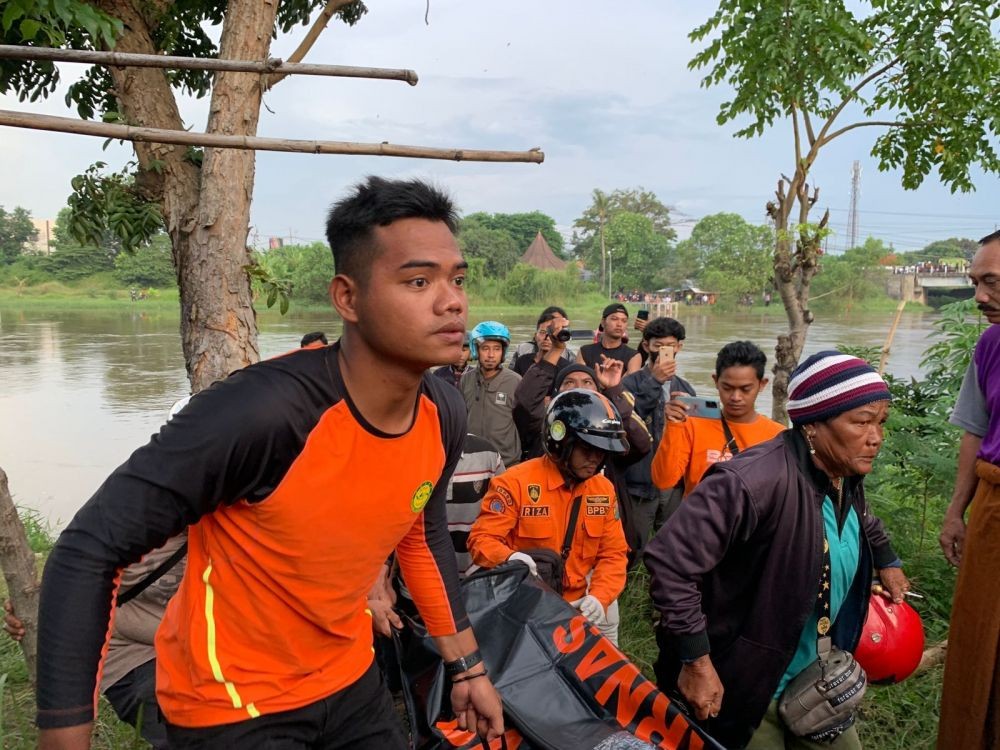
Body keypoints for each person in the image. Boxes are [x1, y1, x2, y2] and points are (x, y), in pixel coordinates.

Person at [35, 177, 503, 750]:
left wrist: (468, 667)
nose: (452, 300)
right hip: (231, 701)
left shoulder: (443, 412)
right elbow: (88, 550)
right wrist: (64, 737)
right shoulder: (263, 412)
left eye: (457, 280)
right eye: (418, 280)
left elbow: (421, 537)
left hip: (349, 678)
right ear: (347, 298)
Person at [645, 351, 910, 749]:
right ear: (813, 426)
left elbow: (863, 517)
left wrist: (887, 560)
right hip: (747, 680)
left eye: (880, 422)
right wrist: (696, 662)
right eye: (861, 422)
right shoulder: (749, 482)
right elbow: (670, 564)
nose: (876, 437)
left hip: (816, 670)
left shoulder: (843, 474)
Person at [467, 389, 630, 644]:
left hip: (582, 606)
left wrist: (600, 596)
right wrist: (509, 557)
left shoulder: (603, 490)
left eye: (601, 452)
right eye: (587, 449)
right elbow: (481, 540)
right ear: (561, 443)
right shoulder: (514, 483)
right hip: (526, 609)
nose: (595, 458)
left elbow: (614, 554)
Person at [936, 229, 1000, 750]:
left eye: (992, 282)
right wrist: (957, 511)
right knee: (982, 642)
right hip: (994, 510)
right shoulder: (989, 345)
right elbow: (975, 432)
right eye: (976, 283)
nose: (979, 296)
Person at [651, 340, 784, 497]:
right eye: (727, 388)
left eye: (745, 389)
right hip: (701, 519)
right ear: (715, 381)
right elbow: (663, 481)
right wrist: (673, 426)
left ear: (762, 384)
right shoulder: (693, 425)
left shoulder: (778, 436)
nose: (735, 397)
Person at [622, 317, 696, 542]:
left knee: (672, 542)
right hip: (638, 479)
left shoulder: (684, 388)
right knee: (635, 543)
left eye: (670, 346)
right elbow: (628, 423)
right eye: (658, 346)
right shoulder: (629, 384)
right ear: (646, 346)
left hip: (674, 481)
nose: (665, 352)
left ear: (679, 348)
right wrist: (655, 381)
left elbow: (693, 436)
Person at [462, 321, 522, 468]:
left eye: (496, 349)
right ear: (476, 350)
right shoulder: (466, 380)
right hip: (473, 462)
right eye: (485, 348)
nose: (491, 355)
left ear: (503, 352)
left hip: (507, 463)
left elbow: (525, 422)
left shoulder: (515, 381)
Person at [577, 303, 641, 374]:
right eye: (614, 319)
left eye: (624, 321)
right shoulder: (584, 352)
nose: (619, 324)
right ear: (603, 322)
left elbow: (630, 384)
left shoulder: (633, 356)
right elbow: (579, 381)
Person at [512, 309, 574, 377]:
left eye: (551, 333)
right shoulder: (522, 361)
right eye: (542, 332)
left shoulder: (566, 366)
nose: (546, 338)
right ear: (535, 336)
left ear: (559, 336)